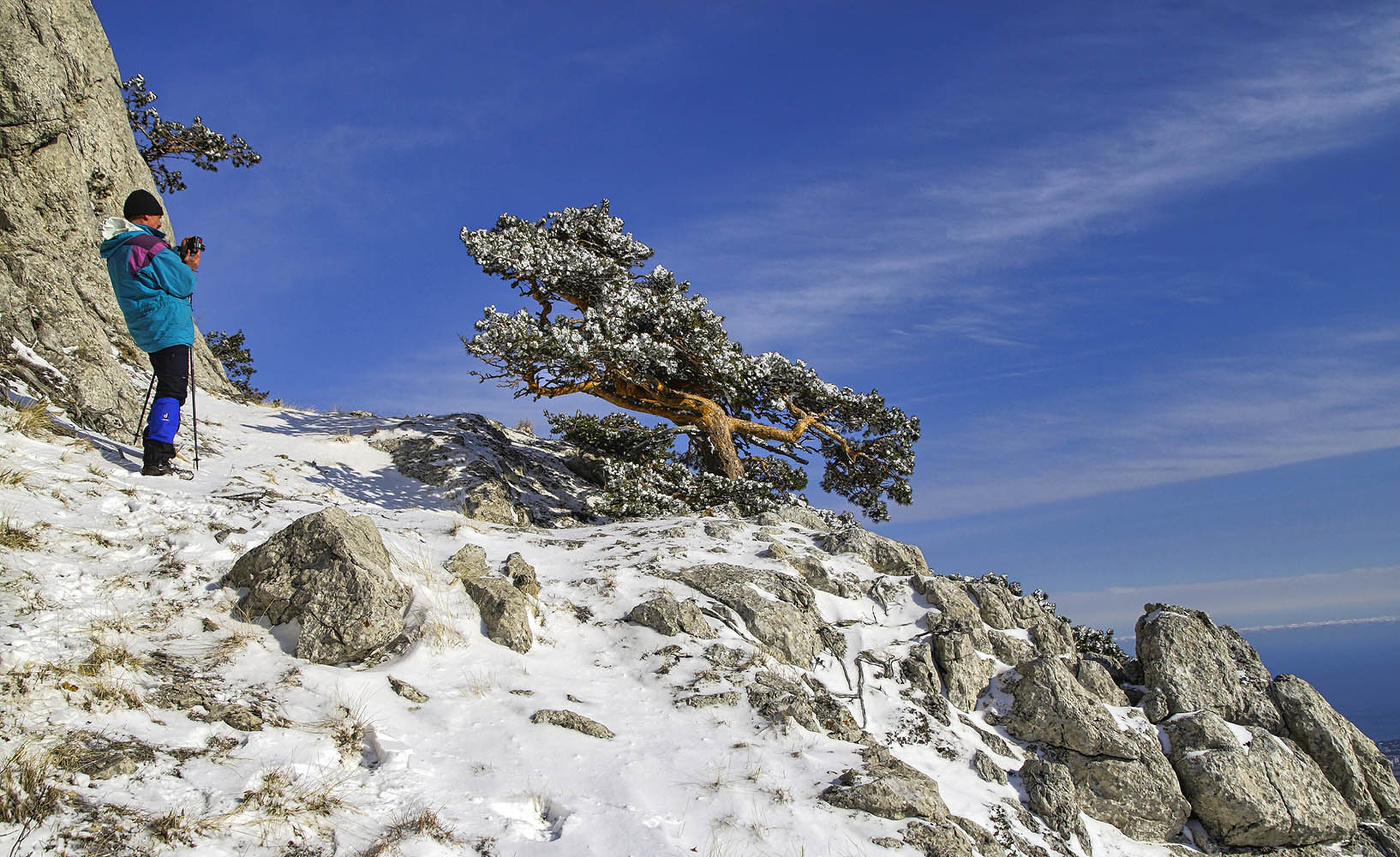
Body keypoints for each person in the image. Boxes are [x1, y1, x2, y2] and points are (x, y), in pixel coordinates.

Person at [100, 189, 203, 476]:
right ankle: (158, 456)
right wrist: (189, 265)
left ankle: (156, 447)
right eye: (158, 216)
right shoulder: (147, 245)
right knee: (172, 389)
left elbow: (150, 276)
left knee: (167, 384)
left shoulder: (121, 246)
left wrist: (174, 257)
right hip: (167, 324)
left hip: (146, 325)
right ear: (146, 215)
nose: (160, 222)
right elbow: (182, 283)